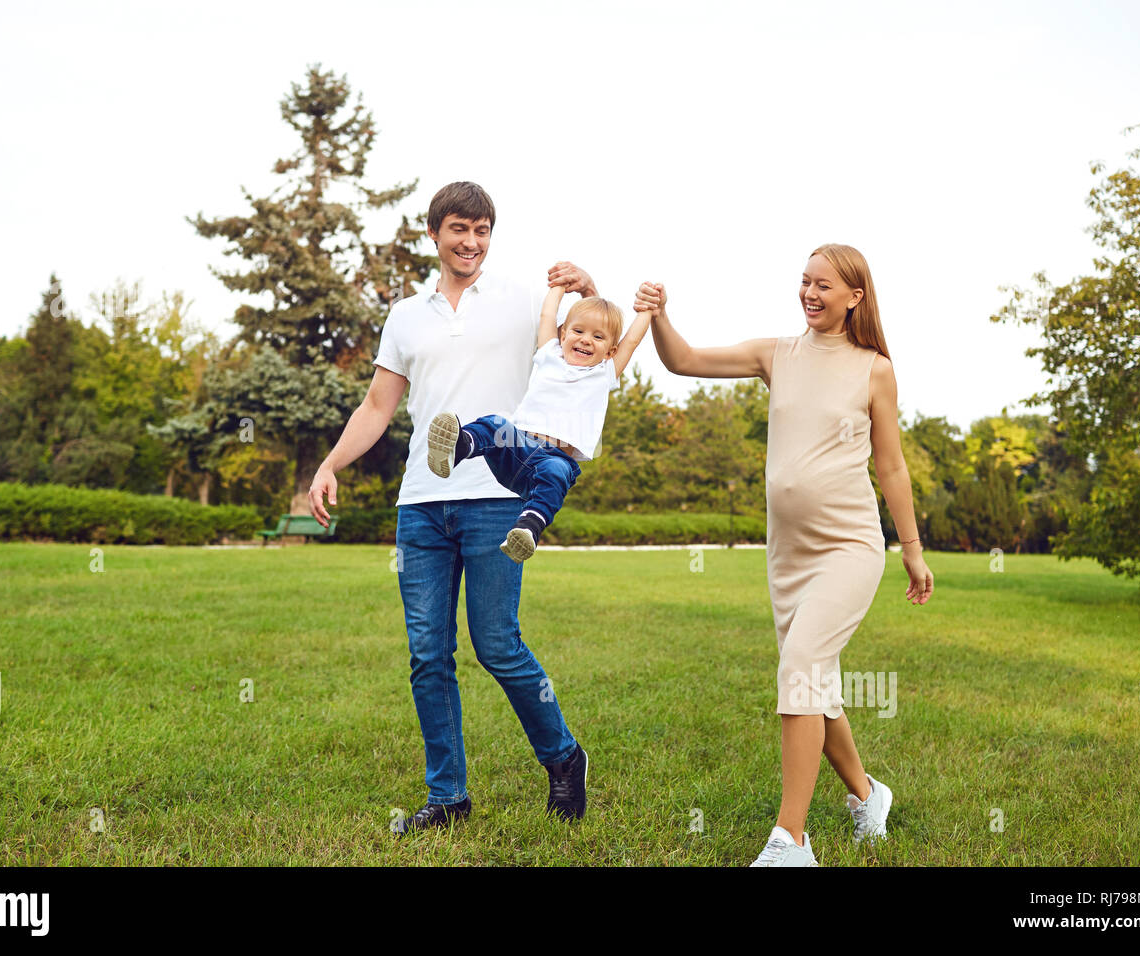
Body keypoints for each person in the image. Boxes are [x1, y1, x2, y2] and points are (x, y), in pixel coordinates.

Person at [307, 182, 594, 832]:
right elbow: (379, 406)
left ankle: (563, 756)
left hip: (497, 496)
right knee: (427, 654)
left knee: (496, 643)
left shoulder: (522, 304)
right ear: (434, 233)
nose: (471, 242)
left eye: (483, 230)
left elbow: (587, 341)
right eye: (460, 229)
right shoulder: (406, 315)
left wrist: (586, 282)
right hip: (422, 505)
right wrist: (329, 464)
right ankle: (448, 797)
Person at [636, 244, 934, 867]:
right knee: (814, 686)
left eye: (823, 285)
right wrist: (660, 317)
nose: (810, 293)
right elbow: (684, 361)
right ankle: (867, 794)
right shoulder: (777, 354)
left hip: (851, 546)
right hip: (789, 555)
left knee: (800, 668)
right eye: (804, 282)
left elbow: (892, 465)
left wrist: (912, 549)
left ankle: (790, 841)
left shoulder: (874, 369)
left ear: (855, 295)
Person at [425, 283, 652, 562]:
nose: (585, 340)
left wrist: (647, 308)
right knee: (495, 423)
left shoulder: (604, 372)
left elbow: (632, 341)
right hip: (516, 448)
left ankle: (528, 529)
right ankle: (458, 448)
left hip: (552, 461)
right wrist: (558, 287)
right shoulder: (549, 356)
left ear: (609, 351)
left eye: (598, 336)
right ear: (563, 334)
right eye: (578, 331)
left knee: (556, 473)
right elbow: (547, 316)